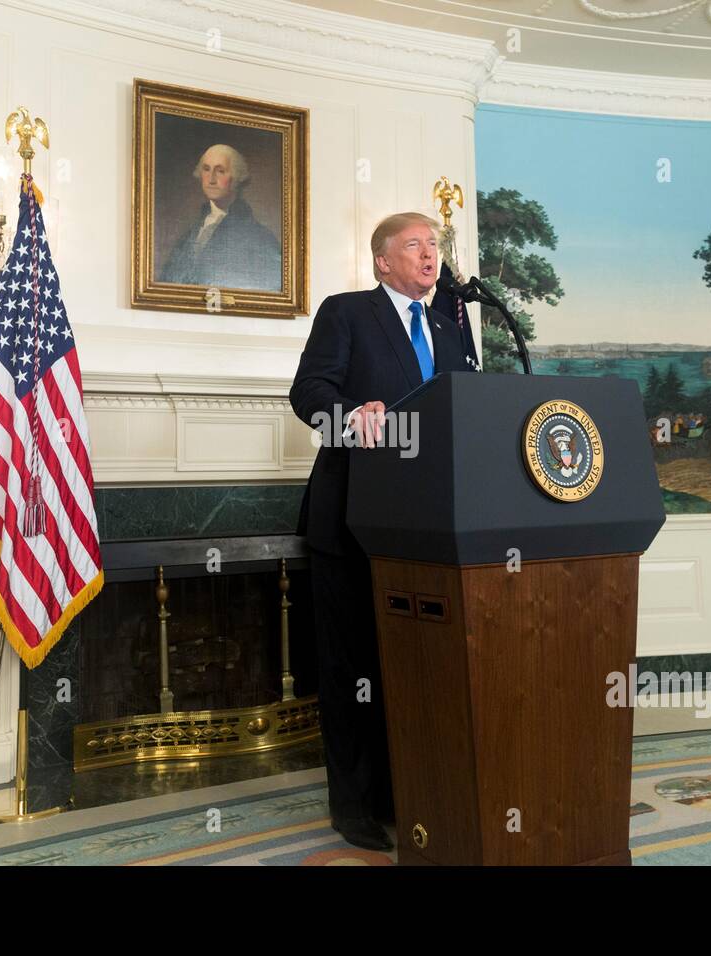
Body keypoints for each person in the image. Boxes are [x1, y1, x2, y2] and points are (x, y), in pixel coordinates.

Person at [288, 212, 472, 851]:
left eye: (435, 244)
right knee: (353, 668)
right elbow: (308, 392)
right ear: (383, 262)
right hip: (351, 518)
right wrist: (347, 415)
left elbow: (467, 410)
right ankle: (355, 806)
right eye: (415, 245)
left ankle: (410, 793)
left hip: (431, 527)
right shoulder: (347, 312)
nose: (430, 254)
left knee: (416, 666)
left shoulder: (451, 326)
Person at [158, 144, 281, 291]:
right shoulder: (190, 234)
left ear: (236, 178)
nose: (211, 179)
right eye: (206, 169)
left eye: (220, 171)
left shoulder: (260, 238)